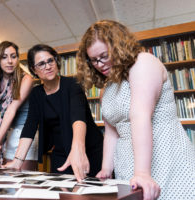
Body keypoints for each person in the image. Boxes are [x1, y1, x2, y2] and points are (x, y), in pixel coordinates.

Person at [76, 20, 195, 200]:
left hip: (164, 156)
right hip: (127, 162)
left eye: (104, 55)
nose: (100, 64)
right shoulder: (107, 88)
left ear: (118, 46)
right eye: (94, 60)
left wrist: (142, 172)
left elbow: (140, 116)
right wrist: (106, 169)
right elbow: (111, 133)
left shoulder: (143, 63)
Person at [3, 44, 103, 182]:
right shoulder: (36, 94)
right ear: (34, 70)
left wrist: (78, 150)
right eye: (41, 64)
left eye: (50, 60)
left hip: (87, 149)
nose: (48, 66)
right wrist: (18, 161)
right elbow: (30, 126)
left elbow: (78, 117)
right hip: (61, 152)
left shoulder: (73, 84)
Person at [0, 41, 38, 170]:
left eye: (13, 56)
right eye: (4, 57)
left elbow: (11, 110)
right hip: (7, 134)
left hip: (25, 135)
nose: (10, 61)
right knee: (8, 183)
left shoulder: (26, 79)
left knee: (23, 182)